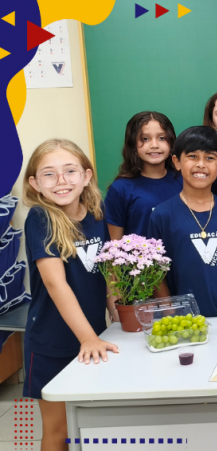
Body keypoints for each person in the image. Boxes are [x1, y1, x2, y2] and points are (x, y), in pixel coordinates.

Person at [22, 139, 118, 450]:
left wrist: (115, 310)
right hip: (52, 341)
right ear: (35, 183)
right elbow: (55, 284)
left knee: (89, 423)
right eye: (49, 174)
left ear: (87, 176)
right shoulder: (41, 217)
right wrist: (88, 338)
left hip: (93, 334)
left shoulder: (97, 214)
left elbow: (107, 268)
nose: (61, 180)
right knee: (59, 428)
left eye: (70, 171)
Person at [149, 126, 217, 317]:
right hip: (185, 323)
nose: (201, 164)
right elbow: (156, 274)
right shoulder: (162, 214)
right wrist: (171, 315)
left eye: (209, 158)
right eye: (192, 156)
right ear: (176, 162)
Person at [104, 111, 182, 240]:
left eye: (162, 138)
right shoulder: (121, 189)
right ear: (133, 145)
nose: (154, 145)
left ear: (171, 142)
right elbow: (114, 244)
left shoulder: (184, 181)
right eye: (145, 139)